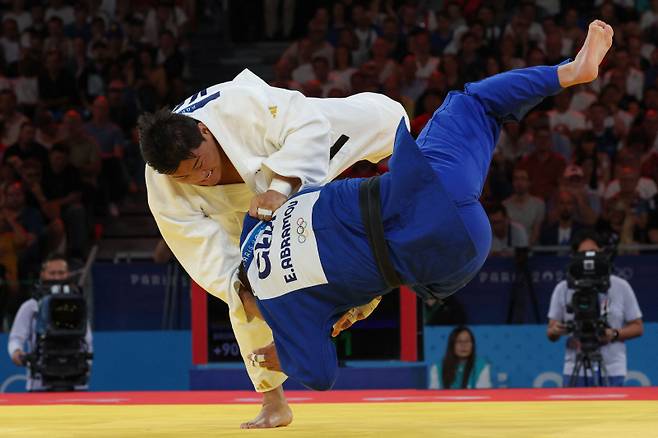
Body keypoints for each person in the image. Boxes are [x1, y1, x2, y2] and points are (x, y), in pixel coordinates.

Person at [234, 21, 614, 391]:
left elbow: (320, 375)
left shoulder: (282, 312)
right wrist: (278, 189)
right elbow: (285, 189)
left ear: (245, 302)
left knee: (370, 281)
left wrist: (287, 355)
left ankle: (370, 293)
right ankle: (570, 72)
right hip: (422, 188)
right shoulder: (253, 230)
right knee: (477, 102)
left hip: (449, 256)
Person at [138, 68, 408, 428]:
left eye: (200, 165)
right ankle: (273, 403)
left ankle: (359, 293)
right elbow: (195, 245)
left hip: (300, 152)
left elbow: (307, 124)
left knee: (391, 120)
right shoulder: (161, 180)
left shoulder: (240, 105)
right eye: (185, 177)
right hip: (241, 212)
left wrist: (280, 188)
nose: (200, 179)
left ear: (203, 131)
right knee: (244, 290)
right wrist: (241, 291)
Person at [546, 230, 643, 386]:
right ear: (574, 256)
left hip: (612, 369)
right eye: (583, 253)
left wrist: (614, 333)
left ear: (602, 254)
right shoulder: (563, 288)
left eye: (592, 253)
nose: (587, 258)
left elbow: (638, 327)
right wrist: (556, 330)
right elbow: (551, 331)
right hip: (574, 367)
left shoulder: (620, 286)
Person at [7, 253, 93, 391]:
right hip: (39, 383)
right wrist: (17, 353)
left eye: (61, 273)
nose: (57, 277)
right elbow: (16, 338)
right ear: (43, 274)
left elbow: (87, 340)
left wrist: (86, 368)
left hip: (75, 383)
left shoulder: (77, 304)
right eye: (52, 273)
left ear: (68, 274)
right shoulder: (31, 306)